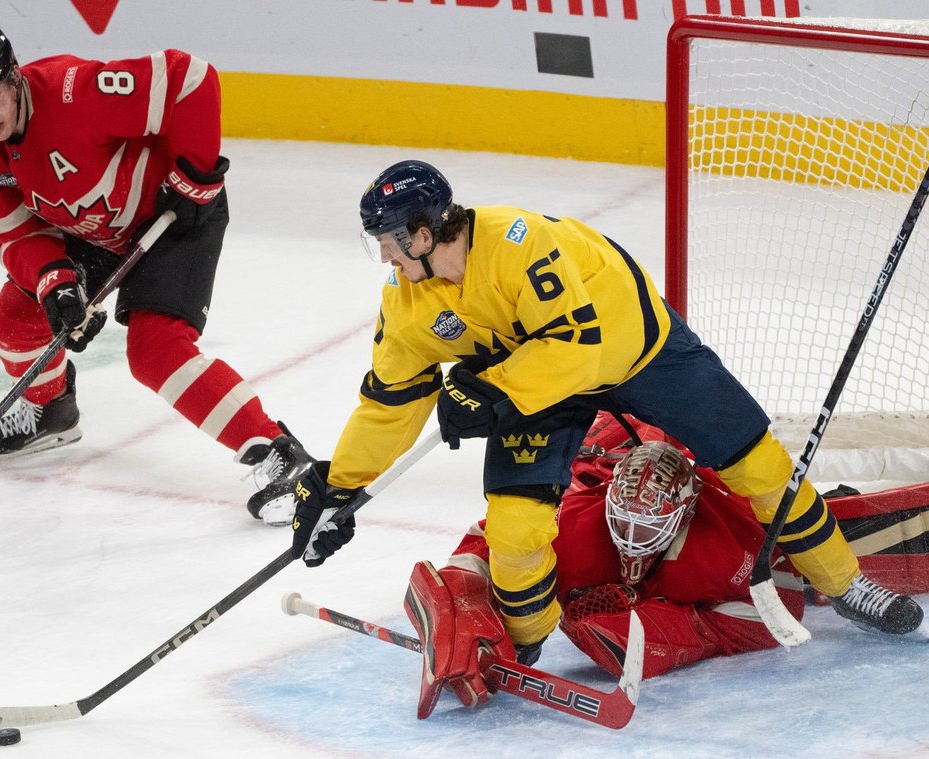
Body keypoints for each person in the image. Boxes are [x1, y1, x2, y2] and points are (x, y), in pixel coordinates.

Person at [286, 159, 923, 664]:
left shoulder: (519, 245)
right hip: (540, 386)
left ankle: (843, 584)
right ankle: (525, 639)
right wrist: (338, 483)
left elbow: (578, 345)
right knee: (513, 526)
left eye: (391, 243)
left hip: (639, 352)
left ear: (424, 233)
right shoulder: (407, 300)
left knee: (760, 466)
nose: (385, 259)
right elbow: (390, 403)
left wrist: (492, 391)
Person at [0, 20, 311, 523]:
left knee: (155, 352)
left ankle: (279, 453)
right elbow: (12, 235)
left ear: (15, 79)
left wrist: (196, 175)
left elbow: (191, 79)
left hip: (173, 216)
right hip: (90, 234)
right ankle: (51, 410)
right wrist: (57, 285)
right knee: (15, 320)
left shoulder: (75, 92)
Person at [403, 412, 807, 716]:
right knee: (594, 443)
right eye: (623, 521)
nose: (631, 542)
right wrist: (466, 601)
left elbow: (780, 606)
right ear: (608, 501)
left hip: (696, 462)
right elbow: (491, 537)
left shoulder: (726, 546)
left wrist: (663, 619)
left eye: (647, 529)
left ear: (685, 514)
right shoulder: (581, 521)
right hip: (619, 441)